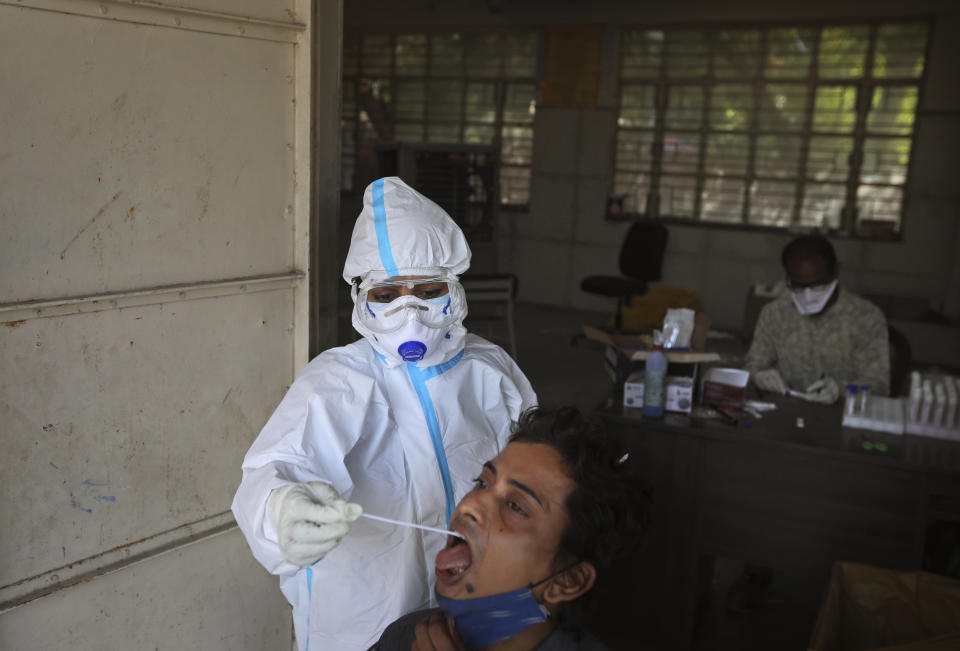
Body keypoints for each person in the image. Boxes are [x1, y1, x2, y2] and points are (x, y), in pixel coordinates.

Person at [231, 176, 537, 651]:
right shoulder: (338, 379)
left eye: (427, 289)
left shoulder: (490, 371)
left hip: (480, 605)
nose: (409, 311)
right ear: (361, 296)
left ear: (453, 288)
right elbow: (274, 471)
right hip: (364, 618)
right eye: (387, 295)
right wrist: (281, 513)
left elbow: (539, 468)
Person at [370, 406, 651, 651]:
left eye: (516, 507)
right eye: (482, 482)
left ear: (568, 580)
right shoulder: (407, 636)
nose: (469, 505)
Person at [745, 234, 890, 403]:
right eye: (798, 286)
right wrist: (758, 376)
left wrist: (841, 390)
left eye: (818, 285)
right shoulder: (775, 314)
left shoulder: (866, 317)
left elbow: (880, 386)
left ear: (836, 271)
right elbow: (751, 366)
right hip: (787, 410)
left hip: (843, 414)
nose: (808, 296)